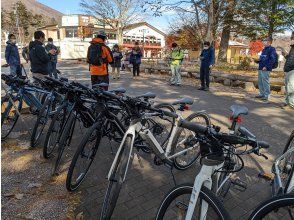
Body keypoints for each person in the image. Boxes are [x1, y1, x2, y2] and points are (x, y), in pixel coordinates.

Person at [255, 37, 277, 102]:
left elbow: (272, 59)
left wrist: (267, 67)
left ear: (269, 42)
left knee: (265, 82)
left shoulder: (272, 49)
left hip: (266, 68)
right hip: (261, 67)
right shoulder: (264, 49)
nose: (263, 42)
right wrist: (257, 61)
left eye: (264, 40)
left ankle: (267, 95)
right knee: (260, 81)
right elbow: (262, 59)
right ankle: (262, 94)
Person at [281, 31, 294, 109]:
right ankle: (287, 102)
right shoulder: (292, 47)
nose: (291, 37)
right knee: (287, 86)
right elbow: (290, 58)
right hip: (288, 68)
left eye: (292, 35)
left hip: (292, 69)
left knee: (291, 87)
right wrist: (285, 55)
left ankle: (292, 105)